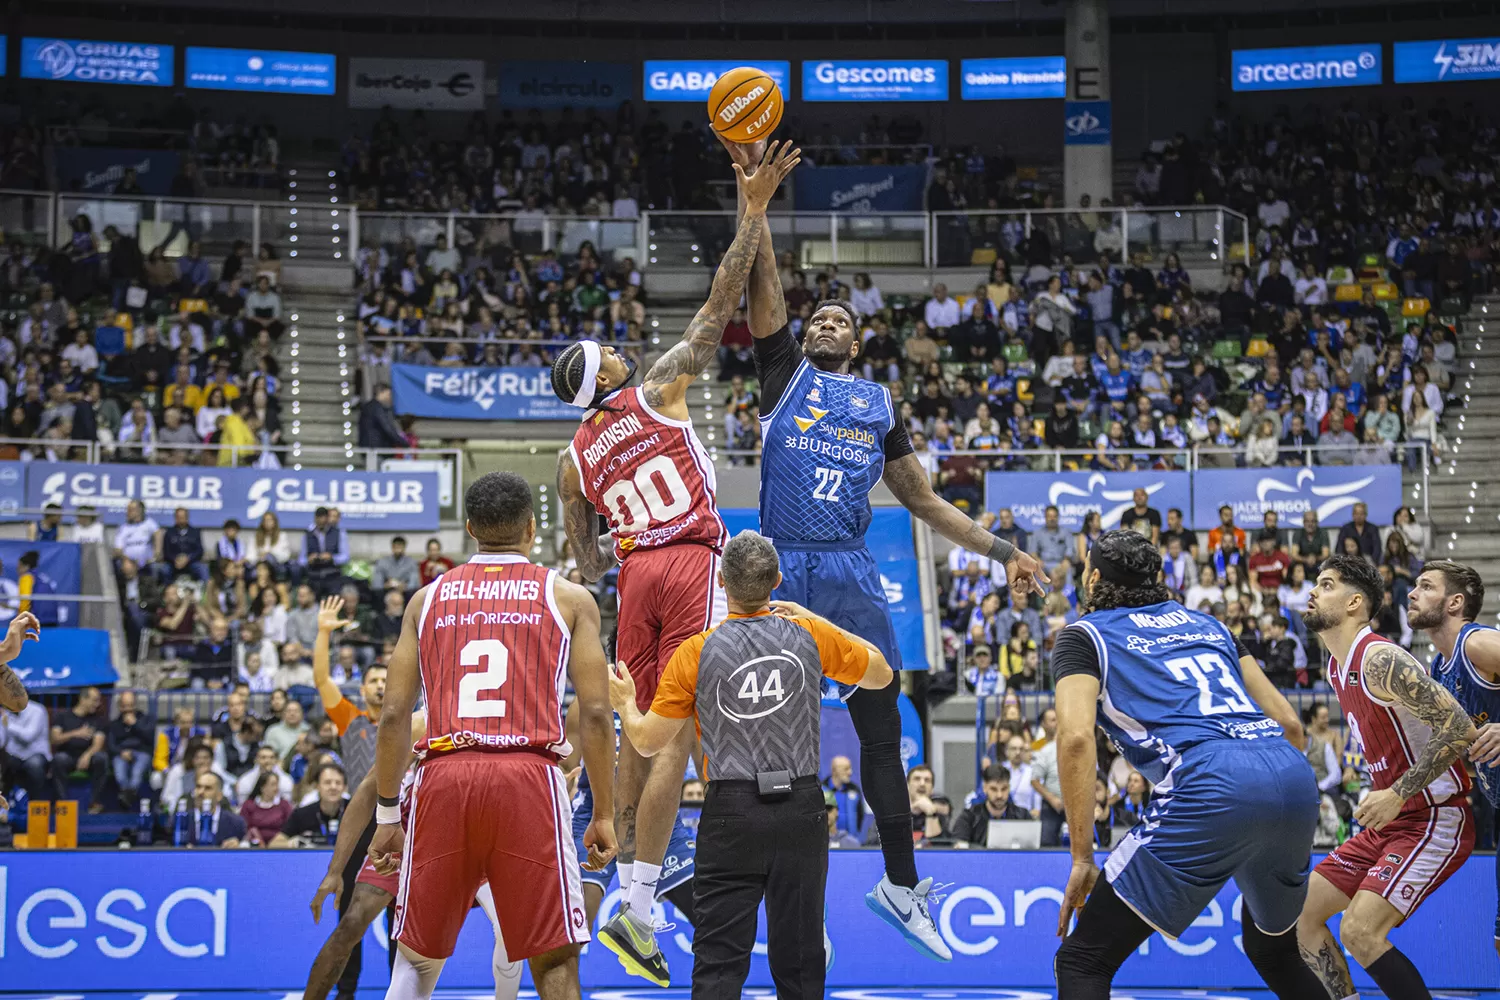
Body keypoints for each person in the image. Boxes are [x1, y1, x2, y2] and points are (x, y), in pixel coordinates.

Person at [730, 134, 1043, 963]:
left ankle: (901, 886)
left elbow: (923, 500)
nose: (827, 320)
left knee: (882, 734)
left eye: (842, 319)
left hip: (852, 572)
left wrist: (1001, 551)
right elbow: (762, 294)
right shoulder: (783, 375)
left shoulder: (876, 402)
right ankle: (749, 893)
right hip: (781, 562)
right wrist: (753, 211)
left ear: (859, 344)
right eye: (818, 315)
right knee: (769, 743)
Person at [552, 142, 799, 985]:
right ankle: (653, 902)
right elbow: (722, 299)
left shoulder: (571, 460)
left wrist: (613, 552)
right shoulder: (656, 386)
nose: (619, 350)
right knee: (691, 727)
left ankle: (637, 892)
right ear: (609, 373)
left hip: (632, 581)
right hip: (692, 560)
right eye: (608, 352)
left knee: (644, 736)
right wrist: (753, 213)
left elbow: (582, 553)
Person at [606, 529, 891, 1000]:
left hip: (731, 813)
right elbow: (880, 671)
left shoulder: (694, 651)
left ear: (722, 584)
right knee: (801, 964)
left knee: (718, 966)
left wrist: (625, 704)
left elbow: (648, 741)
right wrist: (812, 616)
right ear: (777, 580)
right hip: (801, 808)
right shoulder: (809, 633)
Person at [366, 472, 618, 1000]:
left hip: (442, 778)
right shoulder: (570, 598)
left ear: (469, 529)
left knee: (415, 963)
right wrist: (603, 814)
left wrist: (389, 815)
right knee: (554, 962)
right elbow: (595, 713)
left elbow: (393, 716)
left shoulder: (425, 600)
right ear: (531, 528)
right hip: (529, 778)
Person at [1051, 530, 1322, 1000]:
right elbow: (1290, 724)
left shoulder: (1084, 635)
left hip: (1209, 778)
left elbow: (1075, 739)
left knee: (1083, 960)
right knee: (1275, 953)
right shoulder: (1210, 625)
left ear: (1093, 578)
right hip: (1290, 773)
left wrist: (1081, 856)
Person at [1295, 555, 1476, 1000]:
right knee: (1301, 915)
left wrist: (1396, 791)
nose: (1312, 592)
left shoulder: (1378, 658)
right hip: (1389, 823)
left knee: (1359, 930)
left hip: (1432, 819)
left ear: (1355, 602)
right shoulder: (1337, 667)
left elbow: (1461, 728)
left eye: (1326, 584)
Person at [302, 711, 521, 1000]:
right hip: (409, 837)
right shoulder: (421, 721)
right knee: (354, 922)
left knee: (510, 927)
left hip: (476, 836)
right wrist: (334, 872)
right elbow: (368, 792)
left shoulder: (506, 718)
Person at [1407, 560, 1500, 950]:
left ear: (1454, 602)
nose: (1412, 593)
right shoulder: (1439, 667)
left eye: (1426, 586)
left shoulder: (1476, 643)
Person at [51, 685, 109, 812]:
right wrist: (75, 733)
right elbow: (55, 738)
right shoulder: (63, 717)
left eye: (99, 700)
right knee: (59, 759)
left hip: (88, 758)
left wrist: (87, 756)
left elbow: (98, 743)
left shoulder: (97, 720)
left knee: (101, 758)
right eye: (94, 700)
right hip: (68, 756)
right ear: (83, 699)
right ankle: (62, 804)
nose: (97, 704)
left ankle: (93, 802)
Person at [951, 764, 1029, 846]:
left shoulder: (1023, 816)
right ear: (984, 788)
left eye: (1004, 789)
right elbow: (958, 847)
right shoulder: (969, 817)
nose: (999, 795)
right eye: (994, 789)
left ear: (1009, 788)